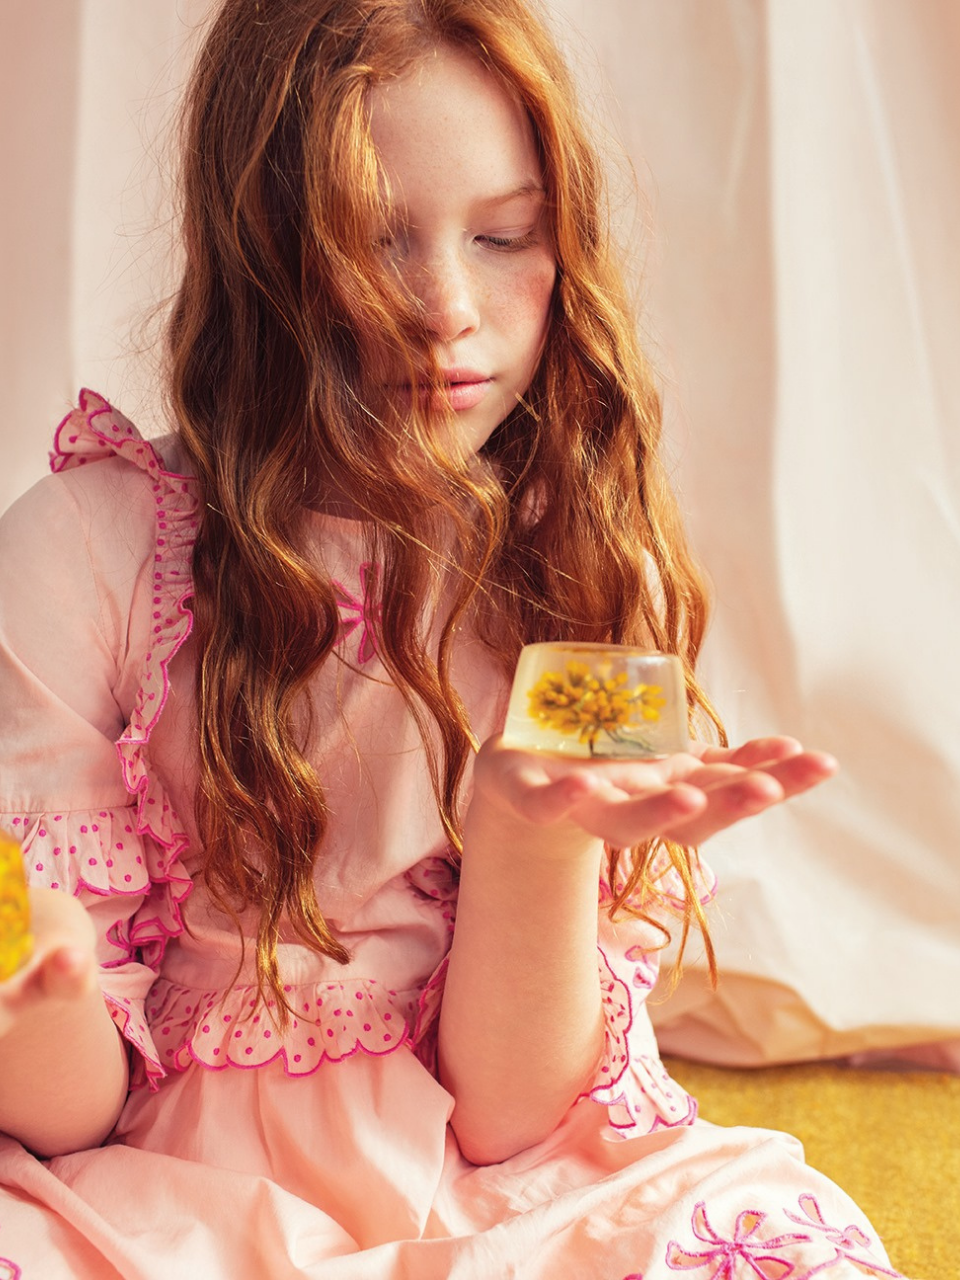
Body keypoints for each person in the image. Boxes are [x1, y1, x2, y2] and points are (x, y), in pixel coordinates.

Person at [0, 1, 906, 1276]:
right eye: (373, 243)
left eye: (503, 235)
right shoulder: (85, 547)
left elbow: (513, 1113)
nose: (448, 309)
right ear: (259, 254)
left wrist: (534, 837)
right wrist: (33, 984)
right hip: (159, 1193)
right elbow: (72, 1116)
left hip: (509, 1191)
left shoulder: (589, 557)